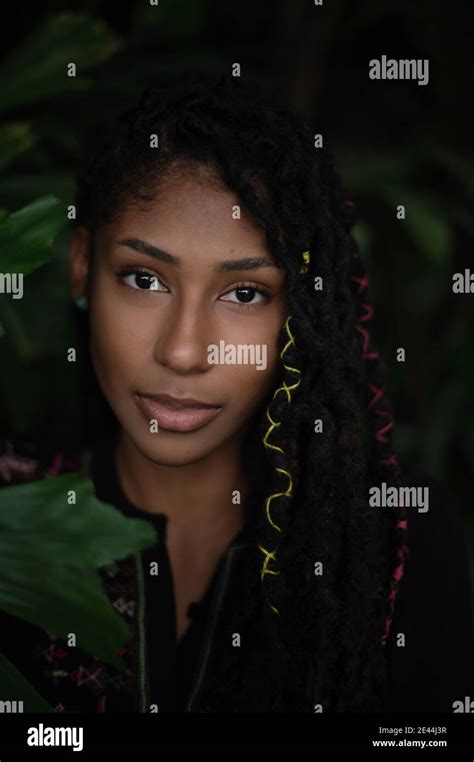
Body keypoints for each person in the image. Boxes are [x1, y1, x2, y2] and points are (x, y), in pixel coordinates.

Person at [0, 72, 473, 713]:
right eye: (144, 279)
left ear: (300, 312)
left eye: (245, 293)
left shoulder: (402, 542)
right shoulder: (10, 514)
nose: (184, 351)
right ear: (82, 268)